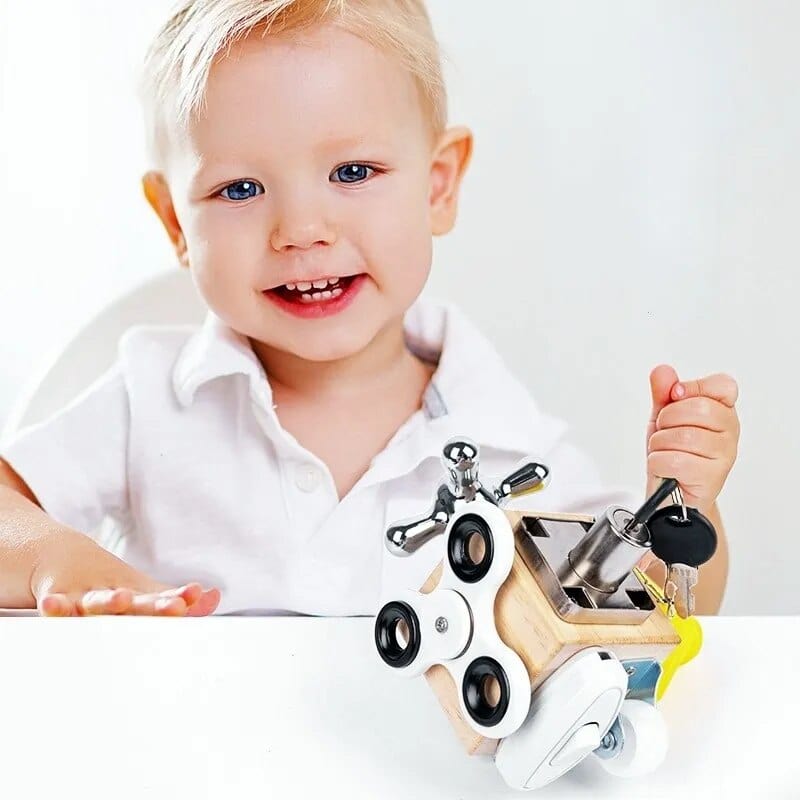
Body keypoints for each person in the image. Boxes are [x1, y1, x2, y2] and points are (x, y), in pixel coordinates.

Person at [0, 0, 739, 617]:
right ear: (173, 224)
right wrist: (52, 558)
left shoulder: (510, 444)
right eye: (240, 189)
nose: (302, 230)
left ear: (438, 186)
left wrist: (684, 505)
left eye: (353, 171)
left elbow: (654, 610)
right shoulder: (151, 400)